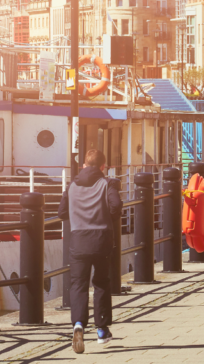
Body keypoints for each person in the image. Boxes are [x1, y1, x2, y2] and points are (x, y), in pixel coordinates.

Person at [58, 149, 122, 353]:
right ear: (103, 166)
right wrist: (104, 219)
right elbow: (116, 207)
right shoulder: (107, 183)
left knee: (78, 284)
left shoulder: (72, 186)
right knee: (101, 283)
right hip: (101, 240)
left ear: (84, 165)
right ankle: (102, 330)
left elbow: (61, 213)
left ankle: (78, 324)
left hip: (78, 240)